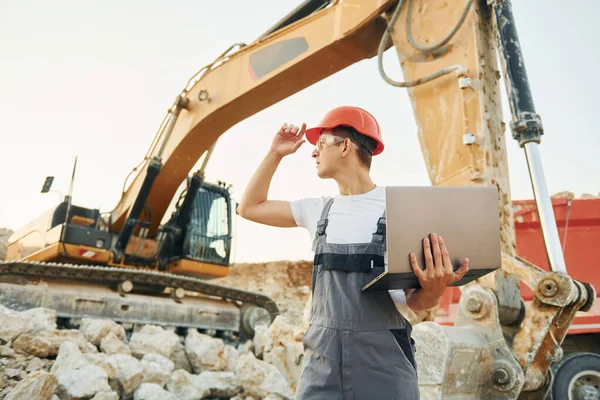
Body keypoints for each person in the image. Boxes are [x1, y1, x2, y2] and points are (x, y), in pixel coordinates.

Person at [237, 106, 470, 400]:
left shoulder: (400, 208)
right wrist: (275, 154)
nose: (313, 153)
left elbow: (415, 302)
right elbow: (249, 207)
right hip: (322, 364)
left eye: (321, 144)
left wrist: (434, 291)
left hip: (383, 366)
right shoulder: (318, 210)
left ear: (346, 146)